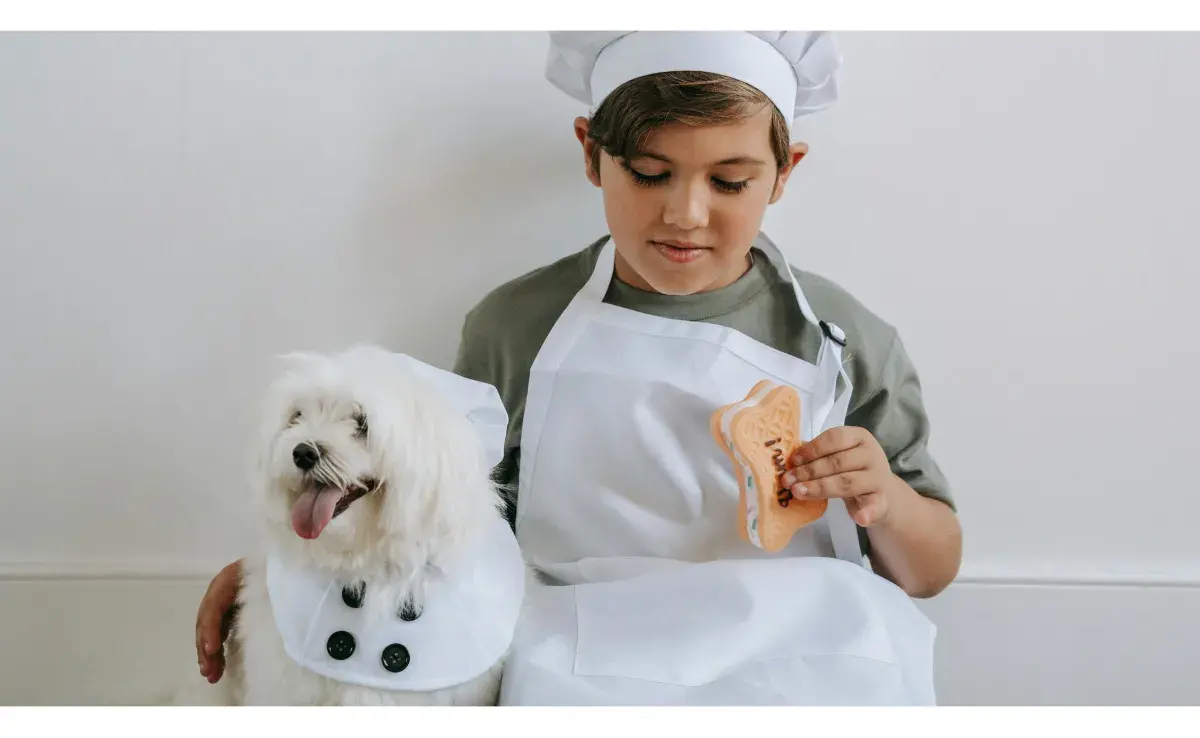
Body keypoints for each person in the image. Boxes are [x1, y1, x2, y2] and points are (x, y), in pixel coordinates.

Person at [196, 30, 962, 704]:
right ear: (592, 153)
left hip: (802, 652)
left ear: (784, 170)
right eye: (650, 173)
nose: (686, 213)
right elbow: (429, 508)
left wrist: (883, 500)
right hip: (580, 655)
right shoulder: (515, 328)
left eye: (729, 181)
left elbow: (930, 571)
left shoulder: (837, 339)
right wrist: (284, 569)